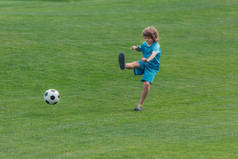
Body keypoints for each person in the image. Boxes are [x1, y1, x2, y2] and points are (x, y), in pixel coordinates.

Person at [119, 26, 161, 111]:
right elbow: (141, 49)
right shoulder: (145, 44)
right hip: (144, 63)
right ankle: (123, 65)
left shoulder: (156, 46)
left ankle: (139, 105)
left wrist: (147, 59)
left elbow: (153, 55)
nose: (146, 40)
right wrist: (136, 48)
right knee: (134, 64)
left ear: (153, 37)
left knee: (146, 84)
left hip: (152, 67)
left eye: (148, 38)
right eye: (145, 38)